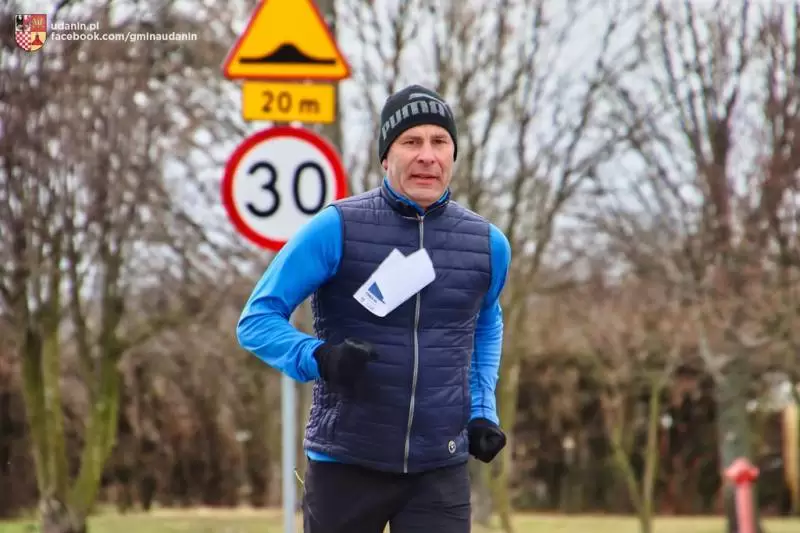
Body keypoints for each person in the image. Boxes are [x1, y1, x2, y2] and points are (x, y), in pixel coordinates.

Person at [236, 84, 512, 533]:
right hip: (346, 463)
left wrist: (483, 410)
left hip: (438, 467)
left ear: (453, 154)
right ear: (386, 156)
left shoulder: (488, 244)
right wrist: (319, 357)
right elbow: (256, 320)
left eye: (439, 142)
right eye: (411, 141)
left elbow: (486, 322)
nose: (427, 156)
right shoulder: (336, 228)